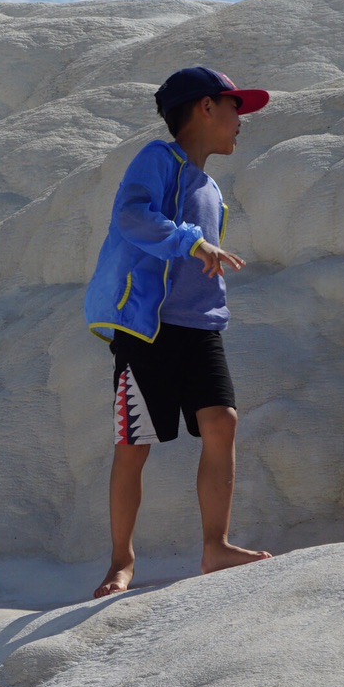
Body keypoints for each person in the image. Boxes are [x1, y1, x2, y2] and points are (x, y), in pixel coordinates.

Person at [83, 66, 273, 599]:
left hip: (200, 327)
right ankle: (121, 562)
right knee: (135, 444)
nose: (242, 121)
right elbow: (133, 216)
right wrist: (194, 242)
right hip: (147, 328)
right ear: (204, 108)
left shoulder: (212, 186)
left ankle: (216, 546)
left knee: (222, 422)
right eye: (235, 107)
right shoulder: (156, 160)